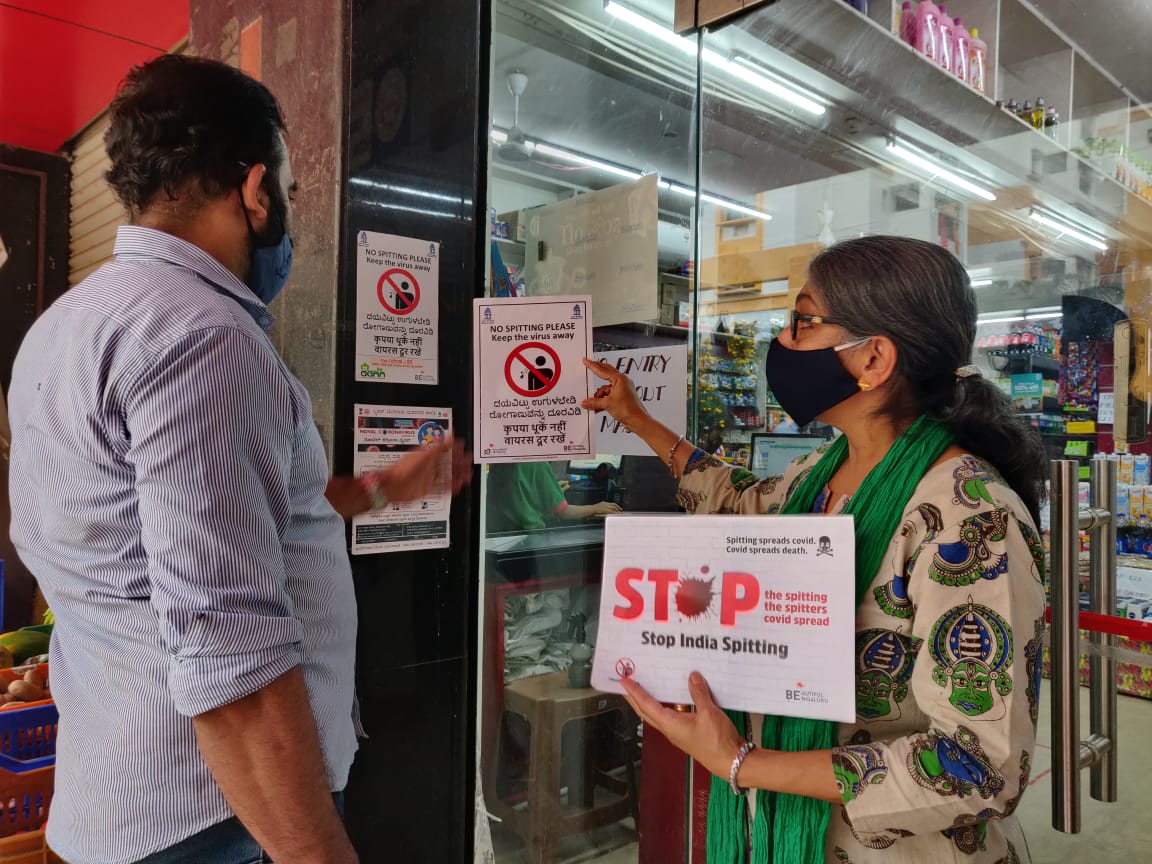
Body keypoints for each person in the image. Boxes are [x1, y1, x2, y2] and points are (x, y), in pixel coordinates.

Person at [7, 55, 470, 864]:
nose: (285, 211)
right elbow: (231, 656)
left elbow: (192, 528)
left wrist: (380, 491)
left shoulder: (65, 326)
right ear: (255, 190)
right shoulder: (203, 342)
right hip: (209, 819)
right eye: (287, 191)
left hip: (126, 795)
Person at [582, 235, 1047, 864]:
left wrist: (744, 762)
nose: (784, 342)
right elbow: (741, 501)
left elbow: (976, 765)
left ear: (873, 359)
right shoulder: (818, 476)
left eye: (803, 321)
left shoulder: (972, 518)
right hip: (786, 837)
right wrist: (637, 420)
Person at [485, 462, 620, 533]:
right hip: (527, 537)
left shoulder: (503, 456)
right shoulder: (538, 462)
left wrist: (551, 489)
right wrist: (596, 508)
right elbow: (564, 512)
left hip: (499, 531)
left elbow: (520, 492)